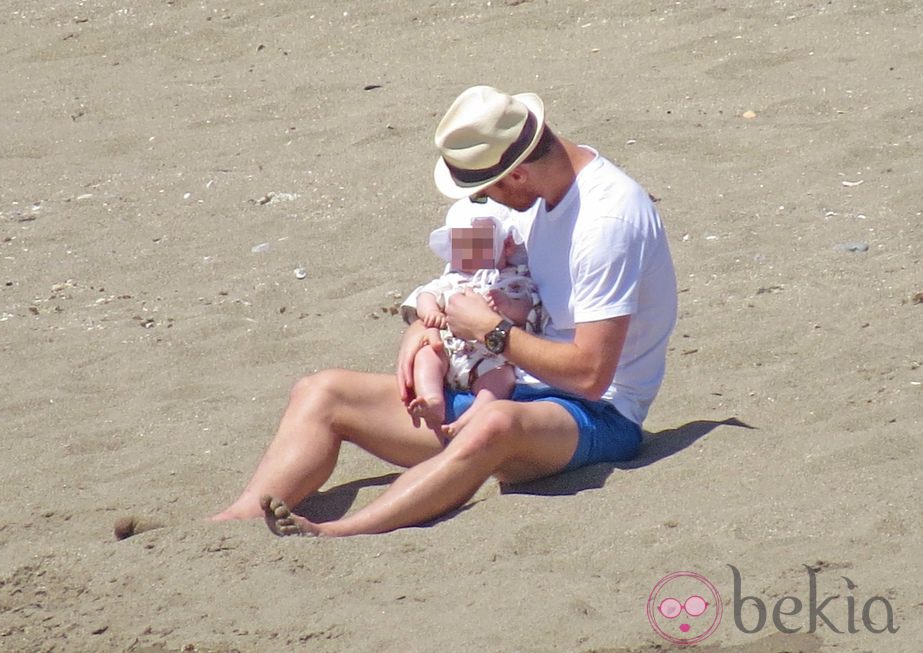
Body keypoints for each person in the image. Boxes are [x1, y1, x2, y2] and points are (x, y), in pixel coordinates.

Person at [212, 85, 677, 537]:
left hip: (597, 415)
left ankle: (341, 531)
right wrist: (421, 325)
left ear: (516, 175)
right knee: (321, 392)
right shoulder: (535, 196)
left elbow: (591, 375)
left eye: (486, 190)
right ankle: (237, 524)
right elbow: (470, 272)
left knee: (495, 422)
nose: (487, 202)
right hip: (508, 387)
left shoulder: (606, 222)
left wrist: (492, 332)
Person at [407, 200, 545, 436]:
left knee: (502, 378)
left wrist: (509, 305)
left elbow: (531, 308)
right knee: (427, 356)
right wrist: (430, 311)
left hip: (492, 357)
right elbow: (425, 294)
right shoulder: (452, 279)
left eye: (480, 244)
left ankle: (473, 417)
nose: (469, 253)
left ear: (508, 244)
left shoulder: (515, 279)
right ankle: (432, 399)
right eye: (461, 245)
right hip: (449, 351)